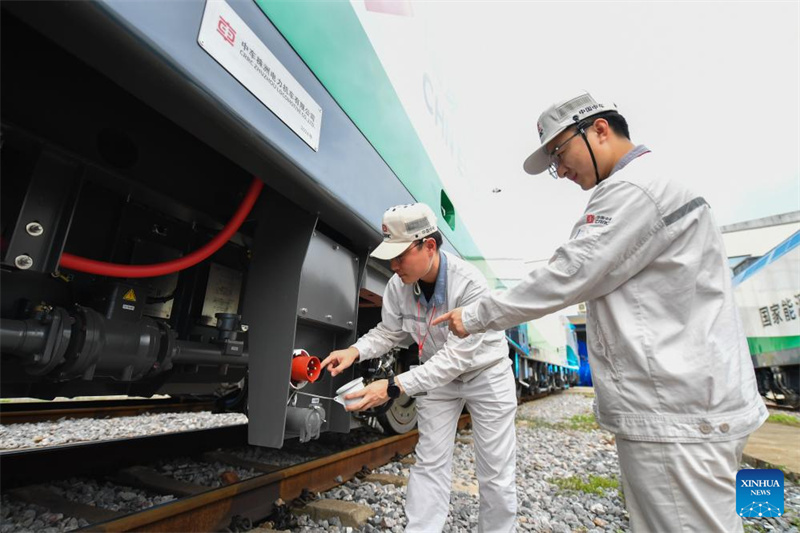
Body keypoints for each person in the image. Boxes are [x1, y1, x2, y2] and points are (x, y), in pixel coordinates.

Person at [433, 91, 768, 532]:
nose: (561, 170)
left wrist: (474, 316)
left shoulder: (631, 189)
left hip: (675, 413)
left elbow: (570, 274)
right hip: (690, 403)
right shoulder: (655, 184)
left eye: (560, 153)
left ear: (600, 130)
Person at [320, 203, 517, 533]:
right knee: (429, 462)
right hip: (438, 378)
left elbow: (456, 359)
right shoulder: (399, 286)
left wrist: (393, 386)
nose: (393, 265)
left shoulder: (469, 284)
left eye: (400, 256)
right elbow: (389, 332)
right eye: (391, 256)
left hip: (486, 374)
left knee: (496, 473)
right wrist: (354, 351)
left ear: (429, 245)